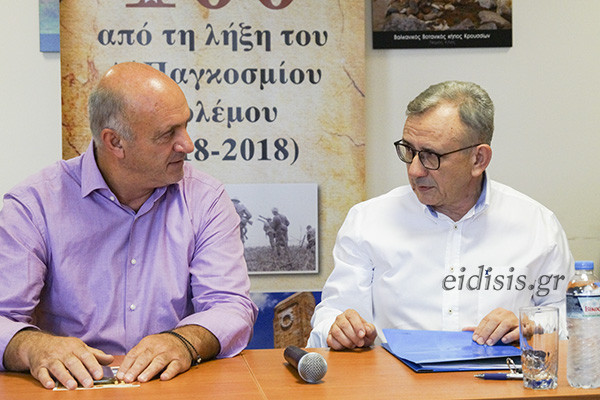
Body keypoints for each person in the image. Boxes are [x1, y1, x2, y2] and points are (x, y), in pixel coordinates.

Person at [0, 62, 258, 389]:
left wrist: (184, 342)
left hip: (173, 388)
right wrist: (34, 346)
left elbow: (230, 306)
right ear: (115, 142)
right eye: (168, 134)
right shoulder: (34, 205)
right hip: (72, 390)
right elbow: (3, 316)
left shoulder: (205, 198)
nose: (188, 144)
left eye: (185, 126)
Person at [307, 81, 573, 351]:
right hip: (396, 378)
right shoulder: (368, 221)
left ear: (479, 159)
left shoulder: (537, 225)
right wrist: (338, 329)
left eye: (430, 156)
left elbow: (571, 322)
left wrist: (531, 326)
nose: (414, 170)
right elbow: (332, 314)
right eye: (409, 151)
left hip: (500, 377)